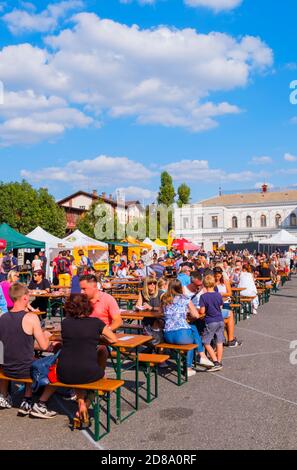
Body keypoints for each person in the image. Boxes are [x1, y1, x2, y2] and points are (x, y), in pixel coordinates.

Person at [57, 294, 117, 426]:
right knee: (100, 374)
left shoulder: (65, 323)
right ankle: (86, 404)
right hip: (87, 373)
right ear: (88, 307)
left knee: (78, 372)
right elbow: (113, 339)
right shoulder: (96, 323)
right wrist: (97, 338)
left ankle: (80, 402)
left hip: (63, 372)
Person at [0, 283, 56, 417]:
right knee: (43, 362)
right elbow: (43, 346)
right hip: (24, 370)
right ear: (25, 298)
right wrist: (47, 336)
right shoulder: (31, 317)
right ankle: (29, 399)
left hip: (7, 368)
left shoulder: (2, 318)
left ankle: (6, 395)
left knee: (22, 356)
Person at [162, 279, 214, 377]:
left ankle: (201, 356)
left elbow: (161, 312)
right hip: (181, 336)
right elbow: (196, 315)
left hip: (167, 334)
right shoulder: (185, 298)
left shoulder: (165, 299)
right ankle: (191, 365)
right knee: (192, 331)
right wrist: (187, 312)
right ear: (180, 288)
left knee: (191, 330)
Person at [80, 275, 123, 370]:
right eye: (81, 289)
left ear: (95, 287)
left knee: (101, 349)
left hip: (101, 339)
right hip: (84, 337)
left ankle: (100, 377)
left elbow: (118, 321)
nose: (81, 292)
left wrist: (106, 331)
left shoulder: (108, 299)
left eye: (84, 289)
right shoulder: (81, 301)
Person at [199, 275, 224, 372]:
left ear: (204, 285)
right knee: (219, 341)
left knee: (205, 341)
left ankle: (215, 361)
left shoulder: (203, 297)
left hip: (210, 320)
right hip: (220, 319)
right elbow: (221, 306)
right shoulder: (218, 295)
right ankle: (219, 360)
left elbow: (202, 311)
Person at [213, 267, 242, 348]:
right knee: (229, 317)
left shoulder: (225, 281)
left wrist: (221, 294)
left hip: (225, 303)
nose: (217, 278)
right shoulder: (212, 282)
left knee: (228, 315)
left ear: (221, 275)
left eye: (218, 276)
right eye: (216, 276)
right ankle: (230, 339)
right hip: (217, 304)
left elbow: (229, 293)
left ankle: (230, 338)